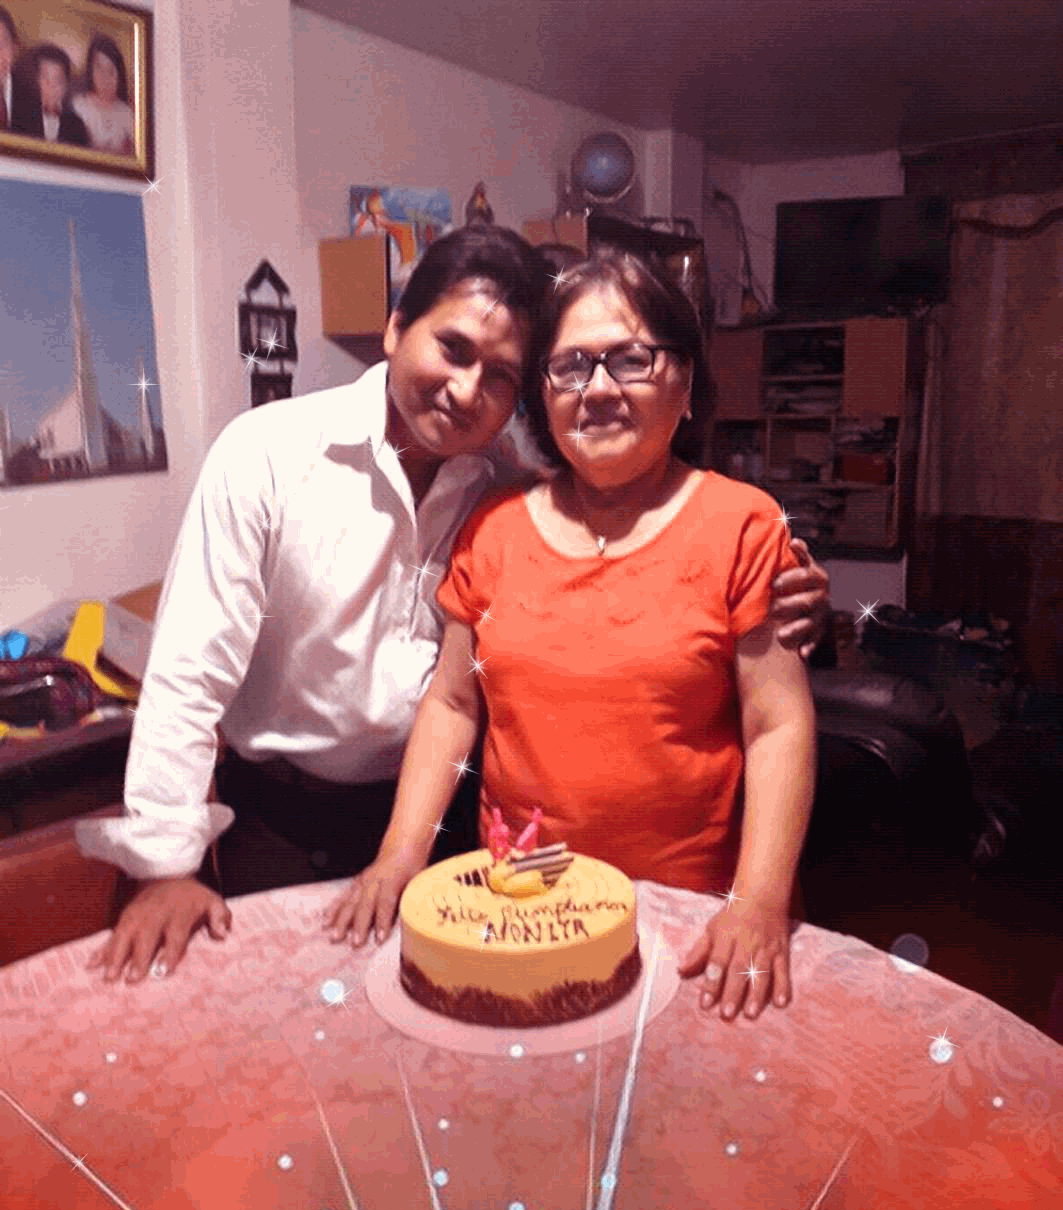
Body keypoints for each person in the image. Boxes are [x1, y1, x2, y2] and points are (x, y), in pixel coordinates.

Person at [80, 227, 828, 985]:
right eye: (453, 348)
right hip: (290, 822)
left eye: (501, 375)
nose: (467, 391)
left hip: (461, 838)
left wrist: (793, 601)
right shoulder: (271, 456)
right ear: (396, 329)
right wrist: (165, 867)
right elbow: (188, 672)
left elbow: (690, 624)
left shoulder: (499, 485)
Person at [335, 249, 818, 1023]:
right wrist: (399, 855)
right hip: (526, 911)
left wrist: (757, 900)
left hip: (693, 922)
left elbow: (777, 724)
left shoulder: (743, 526)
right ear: (543, 397)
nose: (597, 389)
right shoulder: (491, 529)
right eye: (569, 367)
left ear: (684, 383)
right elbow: (452, 706)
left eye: (629, 359)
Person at [72, 33, 135, 155]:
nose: (105, 77)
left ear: (119, 76)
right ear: (90, 71)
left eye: (111, 71)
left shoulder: (126, 113)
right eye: (99, 69)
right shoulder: (78, 106)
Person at [13, 42, 88, 144]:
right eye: (45, 79)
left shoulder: (76, 125)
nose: (52, 87)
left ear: (66, 85)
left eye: (58, 80)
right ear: (35, 80)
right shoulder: (21, 117)